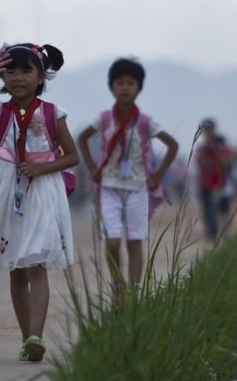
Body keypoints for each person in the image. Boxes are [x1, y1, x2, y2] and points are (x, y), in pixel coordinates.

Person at [0, 44, 78, 362]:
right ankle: (27, 338)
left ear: (41, 77)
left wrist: (42, 167)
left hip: (42, 191)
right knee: (16, 268)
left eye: (26, 71)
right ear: (2, 76)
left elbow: (72, 156)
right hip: (7, 192)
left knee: (36, 263)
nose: (18, 78)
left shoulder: (53, 113)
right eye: (11, 72)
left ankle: (36, 334)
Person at [76, 58, 178, 299]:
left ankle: (132, 293)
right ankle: (118, 286)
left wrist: (159, 174)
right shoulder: (103, 119)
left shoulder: (144, 122)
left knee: (134, 240)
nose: (124, 87)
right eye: (119, 82)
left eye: (130, 83)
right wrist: (91, 166)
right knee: (111, 241)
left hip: (138, 188)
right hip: (108, 187)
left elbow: (172, 145)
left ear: (139, 88)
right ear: (111, 87)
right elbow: (82, 139)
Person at [196, 118, 230, 240]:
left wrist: (213, 150)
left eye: (209, 129)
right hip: (203, 184)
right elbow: (199, 162)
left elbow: (224, 162)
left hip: (216, 184)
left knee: (214, 208)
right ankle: (209, 232)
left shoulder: (220, 145)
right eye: (206, 129)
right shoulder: (202, 148)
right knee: (206, 209)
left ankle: (213, 234)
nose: (208, 132)